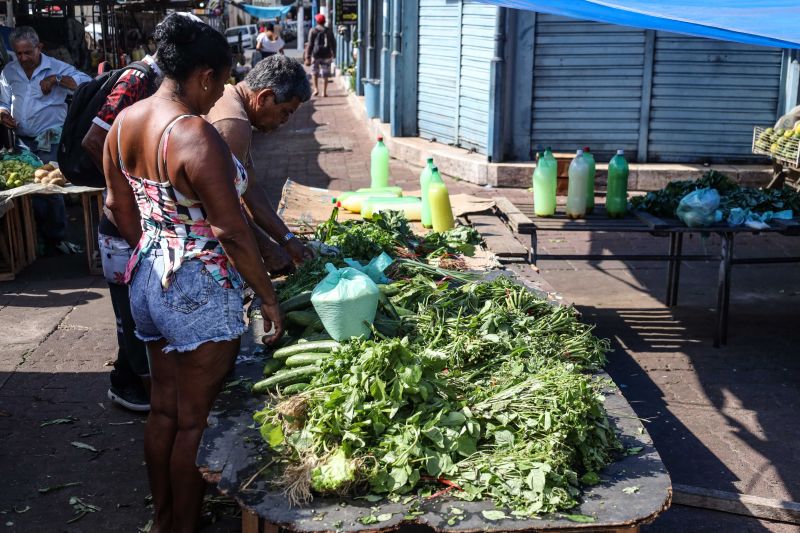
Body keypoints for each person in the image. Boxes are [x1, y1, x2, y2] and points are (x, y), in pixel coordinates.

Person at [102, 14, 284, 532]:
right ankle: (182, 527)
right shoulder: (195, 135)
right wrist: (267, 298)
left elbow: (118, 205)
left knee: (163, 410)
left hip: (147, 276)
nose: (221, 94)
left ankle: (164, 521)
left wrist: (160, 248)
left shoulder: (126, 122)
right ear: (204, 75)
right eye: (222, 82)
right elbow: (231, 231)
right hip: (198, 289)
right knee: (194, 420)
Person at [82, 53, 162, 412]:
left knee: (134, 312)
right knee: (130, 317)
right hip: (120, 223)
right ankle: (130, 385)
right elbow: (95, 139)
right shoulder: (136, 81)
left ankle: (128, 377)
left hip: (129, 220)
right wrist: (131, 189)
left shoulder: (153, 84)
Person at [206, 54, 313, 273]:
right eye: (285, 112)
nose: (285, 121)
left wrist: (287, 239)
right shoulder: (234, 124)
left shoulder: (231, 98)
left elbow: (250, 188)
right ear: (264, 97)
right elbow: (224, 209)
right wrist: (267, 251)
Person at [0, 26, 92, 254]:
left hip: (49, 138)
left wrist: (58, 79)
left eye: (28, 52)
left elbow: (88, 85)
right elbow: (2, 99)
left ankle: (56, 238)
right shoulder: (9, 71)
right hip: (22, 139)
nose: (23, 58)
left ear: (39, 47)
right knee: (28, 190)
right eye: (19, 53)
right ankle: (37, 240)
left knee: (49, 189)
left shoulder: (57, 67)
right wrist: (2, 112)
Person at [304, 13, 336, 97]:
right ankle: (324, 92)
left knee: (314, 72)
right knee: (325, 73)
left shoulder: (313, 30)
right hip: (327, 55)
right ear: (324, 21)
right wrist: (334, 53)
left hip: (316, 54)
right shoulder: (329, 31)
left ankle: (316, 89)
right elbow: (333, 43)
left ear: (317, 21)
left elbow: (310, 44)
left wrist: (308, 56)